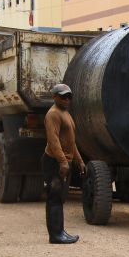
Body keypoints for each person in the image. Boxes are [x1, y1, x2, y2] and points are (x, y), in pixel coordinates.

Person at [42, 83, 85, 244]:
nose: (67, 99)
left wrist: (79, 161)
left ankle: (60, 231)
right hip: (54, 162)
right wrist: (62, 161)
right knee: (54, 197)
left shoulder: (65, 113)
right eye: (63, 96)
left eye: (69, 96)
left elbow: (71, 142)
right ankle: (55, 235)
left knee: (60, 198)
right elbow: (53, 141)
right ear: (54, 97)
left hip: (63, 161)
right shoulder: (53, 114)